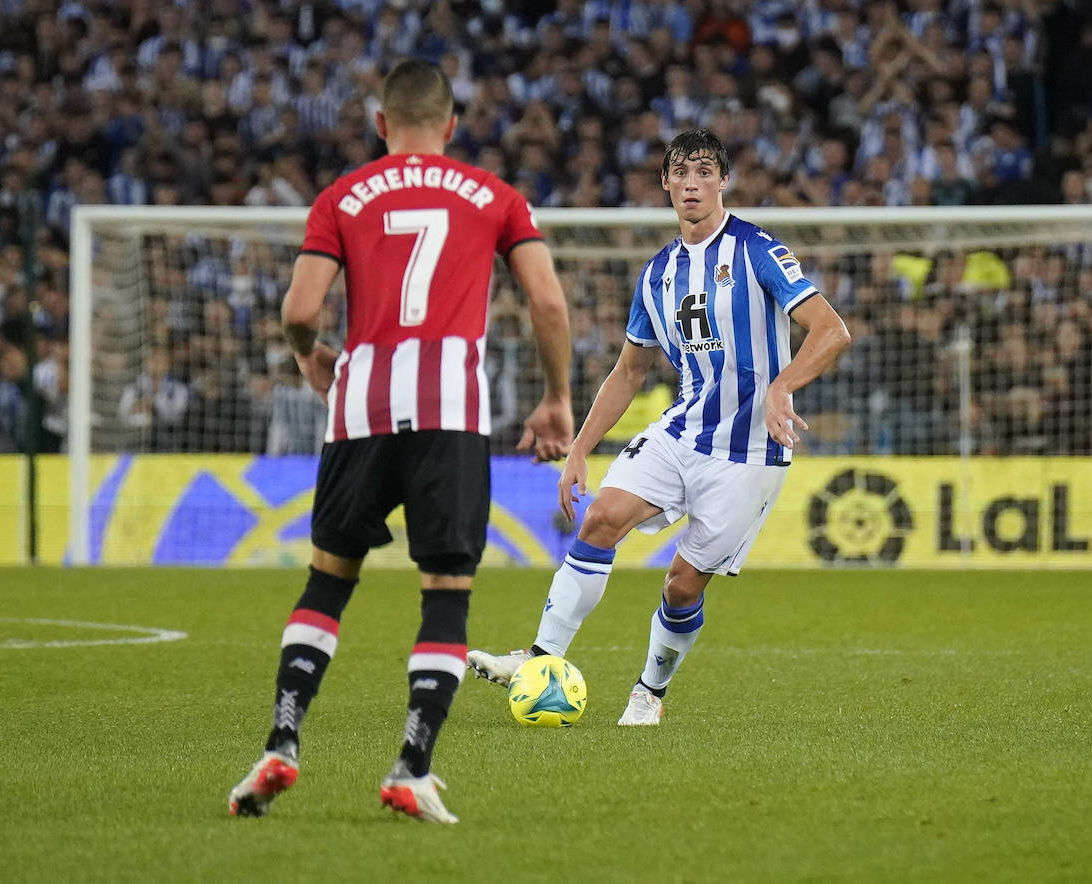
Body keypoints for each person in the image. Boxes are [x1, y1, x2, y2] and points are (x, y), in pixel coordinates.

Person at [227, 59, 573, 824]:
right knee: (445, 592)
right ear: (452, 126)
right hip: (449, 407)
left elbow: (300, 307)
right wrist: (554, 398)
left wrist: (305, 355)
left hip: (360, 404)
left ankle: (281, 743)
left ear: (381, 124)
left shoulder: (342, 197)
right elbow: (547, 300)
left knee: (328, 581)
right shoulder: (496, 196)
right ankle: (411, 767)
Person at [466, 129, 850, 725]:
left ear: (723, 182)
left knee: (681, 587)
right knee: (600, 519)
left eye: (704, 171)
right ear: (666, 183)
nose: (692, 182)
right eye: (680, 171)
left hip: (748, 453)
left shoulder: (756, 250)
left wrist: (782, 386)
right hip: (682, 433)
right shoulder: (658, 272)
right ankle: (539, 657)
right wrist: (578, 450)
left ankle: (650, 691)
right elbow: (628, 370)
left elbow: (831, 330)